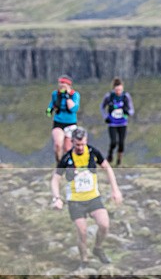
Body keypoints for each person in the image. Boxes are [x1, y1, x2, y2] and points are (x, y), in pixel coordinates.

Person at [50, 127, 123, 267]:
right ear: (72, 142)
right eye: (77, 145)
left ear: (86, 141)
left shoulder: (93, 152)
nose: (80, 147)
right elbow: (55, 179)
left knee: (104, 225)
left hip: (93, 198)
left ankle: (98, 248)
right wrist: (56, 198)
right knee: (82, 232)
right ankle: (84, 260)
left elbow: (107, 168)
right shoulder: (67, 159)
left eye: (83, 144)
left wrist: (115, 189)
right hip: (75, 201)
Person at [99, 77, 135, 166]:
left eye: (120, 89)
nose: (118, 91)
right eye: (116, 90)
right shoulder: (109, 96)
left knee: (121, 143)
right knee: (113, 142)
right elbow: (102, 107)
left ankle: (119, 161)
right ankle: (110, 154)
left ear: (122, 88)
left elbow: (132, 109)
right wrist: (105, 117)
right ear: (114, 89)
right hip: (112, 123)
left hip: (123, 123)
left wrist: (128, 113)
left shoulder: (126, 96)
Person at [46, 75, 80, 163]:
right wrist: (49, 110)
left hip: (71, 123)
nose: (61, 85)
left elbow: (73, 109)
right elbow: (52, 104)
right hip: (58, 122)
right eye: (60, 83)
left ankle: (68, 165)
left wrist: (67, 96)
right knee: (58, 144)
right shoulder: (55, 94)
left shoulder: (75, 95)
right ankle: (59, 163)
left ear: (69, 85)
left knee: (68, 148)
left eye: (64, 83)